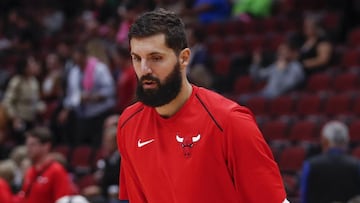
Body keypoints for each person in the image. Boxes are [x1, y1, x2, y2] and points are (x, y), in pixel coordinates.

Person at [117, 9, 288, 203]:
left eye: (156, 58)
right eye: (137, 58)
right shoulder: (128, 124)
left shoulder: (229, 122)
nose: (144, 70)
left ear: (184, 58)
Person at [300, 121, 360, 203]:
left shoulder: (310, 165)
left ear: (325, 141)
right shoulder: (356, 165)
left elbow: (304, 197)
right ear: (346, 141)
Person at [18, 127, 75, 203]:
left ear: (46, 146)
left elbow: (63, 200)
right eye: (27, 145)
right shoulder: (30, 171)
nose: (29, 149)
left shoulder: (56, 171)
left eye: (33, 144)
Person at [1, 55, 45, 144]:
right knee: (20, 143)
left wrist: (41, 106)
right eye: (31, 64)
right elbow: (7, 102)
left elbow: (35, 100)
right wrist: (14, 118)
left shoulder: (34, 81)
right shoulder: (16, 81)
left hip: (32, 119)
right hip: (19, 120)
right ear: (25, 67)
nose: (34, 65)